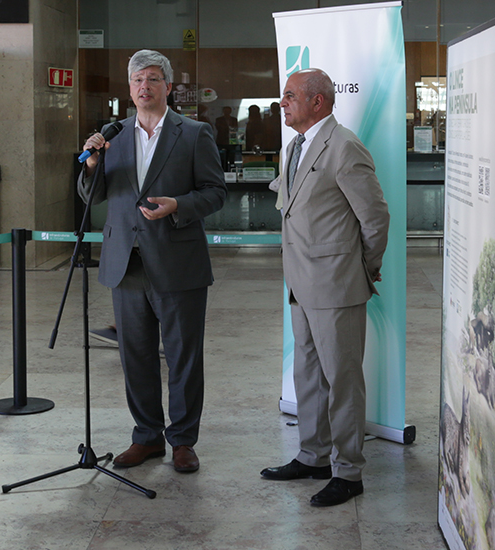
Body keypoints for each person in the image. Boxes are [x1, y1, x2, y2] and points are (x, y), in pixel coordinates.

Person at [77, 49, 227, 473]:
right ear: (130, 88)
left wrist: (177, 204)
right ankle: (146, 437)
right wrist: (90, 165)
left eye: (153, 80)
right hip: (126, 264)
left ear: (167, 86)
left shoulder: (194, 133)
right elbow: (94, 197)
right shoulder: (112, 135)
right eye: (138, 80)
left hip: (178, 262)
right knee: (136, 356)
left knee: (183, 356)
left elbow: (215, 192)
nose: (145, 87)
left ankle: (182, 441)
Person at [260, 68, 390, 507]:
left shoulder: (345, 147)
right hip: (299, 282)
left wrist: (363, 268)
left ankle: (348, 471)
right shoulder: (293, 147)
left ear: (318, 102)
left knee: (343, 380)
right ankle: (313, 456)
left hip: (336, 284)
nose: (283, 103)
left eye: (290, 96)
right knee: (309, 376)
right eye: (283, 96)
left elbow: (375, 218)